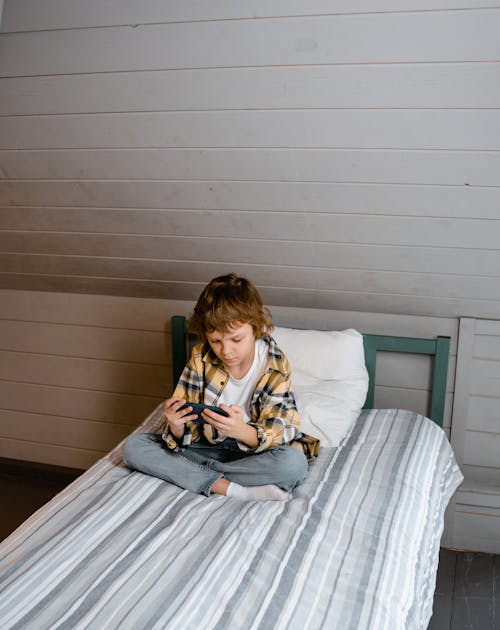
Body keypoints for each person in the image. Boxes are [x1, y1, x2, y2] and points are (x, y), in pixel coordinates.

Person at [123, 273, 319, 501]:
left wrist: (242, 431)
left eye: (236, 340)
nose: (225, 351)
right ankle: (233, 489)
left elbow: (282, 427)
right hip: (204, 446)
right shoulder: (200, 357)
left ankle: (190, 474)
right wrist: (177, 428)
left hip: (251, 453)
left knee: (292, 464)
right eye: (215, 341)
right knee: (134, 447)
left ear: (256, 329)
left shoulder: (274, 363)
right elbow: (186, 427)